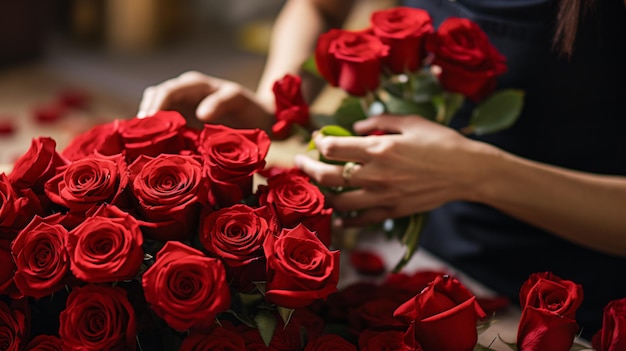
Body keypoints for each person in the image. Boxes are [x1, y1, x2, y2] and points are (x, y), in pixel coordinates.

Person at [137, 0, 626, 338]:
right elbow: (320, 6)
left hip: (577, 308)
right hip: (421, 266)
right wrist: (276, 103)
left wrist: (479, 174)